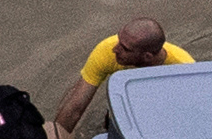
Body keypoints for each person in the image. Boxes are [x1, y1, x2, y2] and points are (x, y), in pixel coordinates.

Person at [53, 17, 195, 132]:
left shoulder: (184, 70)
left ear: (147, 57)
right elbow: (74, 108)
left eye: (125, 48)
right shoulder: (107, 50)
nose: (115, 49)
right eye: (119, 40)